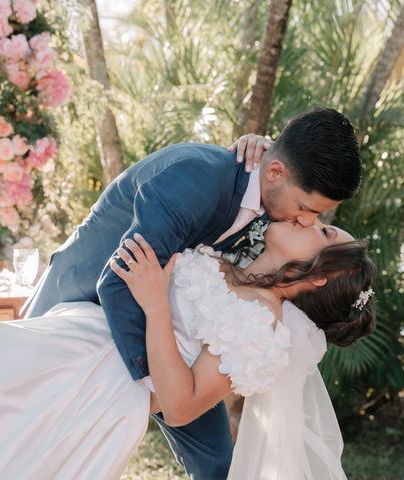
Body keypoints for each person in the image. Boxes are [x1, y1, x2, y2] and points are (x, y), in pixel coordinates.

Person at [0, 220, 376, 478]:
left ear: (322, 274)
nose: (312, 219)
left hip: (94, 392)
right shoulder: (239, 257)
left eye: (324, 229)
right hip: (70, 341)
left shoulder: (261, 324)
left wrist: (156, 306)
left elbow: (181, 406)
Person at [21, 108, 363, 478]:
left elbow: (185, 393)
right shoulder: (196, 179)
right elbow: (118, 282)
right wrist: (146, 389)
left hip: (169, 349)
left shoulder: (274, 216)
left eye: (319, 220)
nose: (307, 220)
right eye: (306, 209)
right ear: (275, 172)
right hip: (83, 293)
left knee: (217, 463)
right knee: (21, 412)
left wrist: (166, 389)